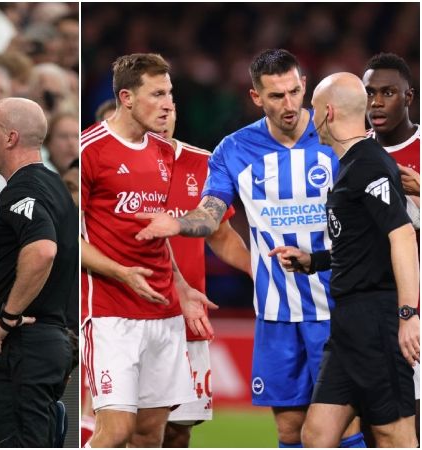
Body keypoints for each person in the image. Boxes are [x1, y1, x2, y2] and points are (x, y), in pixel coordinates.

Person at [133, 49, 365, 448]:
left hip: (340, 307)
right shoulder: (234, 150)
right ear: (256, 97)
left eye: (294, 92)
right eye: (276, 96)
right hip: (276, 314)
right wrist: (181, 223)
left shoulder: (339, 137)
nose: (289, 104)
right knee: (290, 430)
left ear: (305, 86)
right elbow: (211, 216)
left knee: (341, 429)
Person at [269, 72, 419, 448]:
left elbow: (402, 237)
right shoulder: (351, 166)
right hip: (348, 324)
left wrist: (408, 314)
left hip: (377, 322)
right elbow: (361, 243)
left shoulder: (369, 164)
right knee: (317, 435)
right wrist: (315, 261)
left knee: (393, 435)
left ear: (328, 112)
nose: (309, 117)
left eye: (314, 108)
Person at [80, 53, 214, 448]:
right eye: (156, 94)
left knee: (149, 435)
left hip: (164, 312)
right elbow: (69, 238)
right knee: (116, 431)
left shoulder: (162, 154)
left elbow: (154, 231)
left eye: (170, 93)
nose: (169, 103)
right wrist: (122, 273)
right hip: (111, 313)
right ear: (126, 97)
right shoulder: (90, 150)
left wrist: (182, 286)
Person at [0, 97, 76, 447]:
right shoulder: (55, 187)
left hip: (23, 349)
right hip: (47, 342)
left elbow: (43, 251)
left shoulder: (24, 188)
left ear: (11, 137)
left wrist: (9, 317)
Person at [158, 106, 252, 447]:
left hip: (189, 319)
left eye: (169, 104)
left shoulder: (202, 164)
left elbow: (222, 236)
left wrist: (260, 270)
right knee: (134, 428)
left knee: (180, 428)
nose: (164, 112)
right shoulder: (117, 162)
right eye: (156, 100)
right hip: (134, 313)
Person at [362, 52, 420, 443]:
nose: (377, 103)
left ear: (408, 97)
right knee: (375, 426)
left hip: (416, 314)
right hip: (369, 311)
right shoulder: (352, 153)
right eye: (370, 93)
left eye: (388, 93)